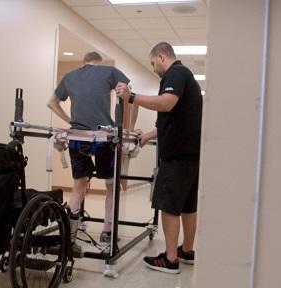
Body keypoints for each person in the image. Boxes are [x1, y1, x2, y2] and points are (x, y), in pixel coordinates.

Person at [115, 42, 202, 274]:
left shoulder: (176, 73)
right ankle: (187, 250)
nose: (154, 68)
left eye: (153, 63)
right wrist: (150, 135)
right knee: (187, 206)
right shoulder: (186, 76)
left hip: (177, 155)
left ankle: (170, 259)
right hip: (191, 154)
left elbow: (166, 104)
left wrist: (132, 97)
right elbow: (176, 117)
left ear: (161, 57)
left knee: (169, 206)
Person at [47, 51, 135, 244]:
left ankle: (69, 237)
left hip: (77, 137)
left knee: (78, 186)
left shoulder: (70, 76)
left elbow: (51, 103)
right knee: (112, 186)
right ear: (99, 63)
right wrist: (128, 129)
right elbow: (130, 95)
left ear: (84, 63)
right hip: (103, 138)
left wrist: (71, 120)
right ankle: (107, 232)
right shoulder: (109, 71)